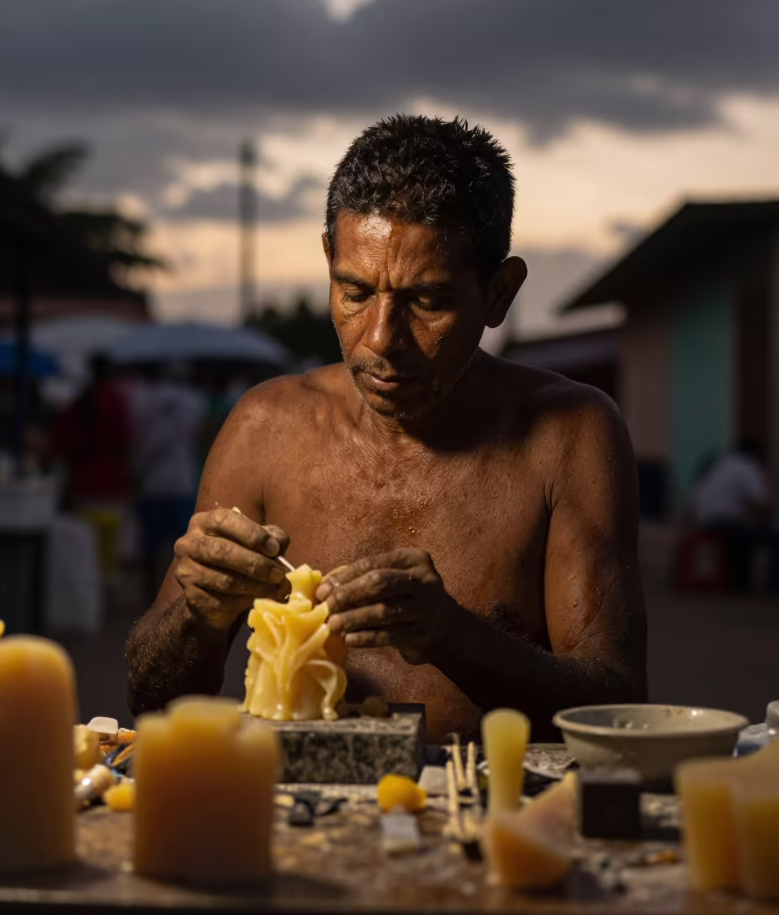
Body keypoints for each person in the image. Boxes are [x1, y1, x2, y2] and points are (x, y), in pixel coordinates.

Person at [126, 115, 647, 740]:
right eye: (354, 292)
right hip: (300, 818)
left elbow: (616, 706)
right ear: (328, 263)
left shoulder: (568, 433)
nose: (380, 340)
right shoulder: (265, 428)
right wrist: (198, 616)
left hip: (481, 810)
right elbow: (150, 701)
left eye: (427, 302)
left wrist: (454, 636)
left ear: (500, 293)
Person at [51, 353, 132, 590]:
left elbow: (60, 442)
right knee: (108, 553)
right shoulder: (115, 401)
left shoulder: (79, 401)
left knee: (86, 552)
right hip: (111, 486)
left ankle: (91, 598)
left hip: (82, 487)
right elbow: (125, 441)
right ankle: (105, 601)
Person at [130, 362, 206, 603]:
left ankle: (150, 595)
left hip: (153, 482)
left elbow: (140, 439)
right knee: (183, 546)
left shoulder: (142, 400)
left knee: (150, 547)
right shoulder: (194, 402)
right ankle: (178, 596)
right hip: (182, 481)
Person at [690, 438, 772, 593]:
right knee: (757, 537)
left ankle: (734, 582)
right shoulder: (748, 467)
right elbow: (759, 504)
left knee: (742, 534)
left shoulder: (723, 463)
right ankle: (745, 586)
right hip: (724, 523)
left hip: (703, 520)